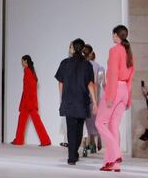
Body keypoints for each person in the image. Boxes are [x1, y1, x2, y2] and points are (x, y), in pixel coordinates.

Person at [95, 25, 135, 172]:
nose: (112, 36)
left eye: (113, 34)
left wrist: (110, 95)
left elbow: (112, 74)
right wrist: (128, 98)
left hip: (115, 89)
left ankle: (116, 154)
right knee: (113, 126)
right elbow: (131, 77)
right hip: (124, 90)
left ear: (116, 35)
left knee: (99, 122)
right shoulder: (129, 51)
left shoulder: (114, 50)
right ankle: (112, 163)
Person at [54, 38, 97, 166]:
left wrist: (62, 98)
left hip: (69, 100)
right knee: (78, 130)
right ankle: (73, 155)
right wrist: (95, 102)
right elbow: (90, 84)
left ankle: (72, 156)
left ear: (72, 48)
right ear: (83, 49)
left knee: (71, 129)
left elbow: (60, 83)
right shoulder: (87, 65)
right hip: (82, 101)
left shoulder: (65, 63)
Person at [11, 54, 51, 146]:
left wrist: (26, 102)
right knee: (27, 120)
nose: (21, 63)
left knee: (28, 121)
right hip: (30, 101)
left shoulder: (27, 71)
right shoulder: (31, 71)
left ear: (25, 61)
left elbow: (27, 88)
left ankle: (44, 140)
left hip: (28, 102)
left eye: (22, 61)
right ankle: (20, 140)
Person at [81, 44, 104, 156]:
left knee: (83, 122)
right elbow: (101, 83)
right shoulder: (99, 67)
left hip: (82, 97)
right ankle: (93, 144)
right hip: (95, 97)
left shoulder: (81, 66)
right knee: (93, 122)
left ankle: (84, 146)